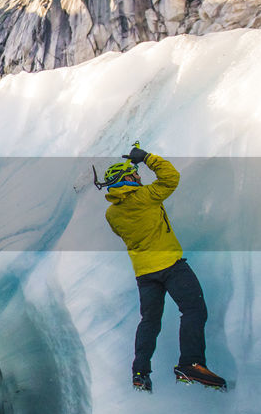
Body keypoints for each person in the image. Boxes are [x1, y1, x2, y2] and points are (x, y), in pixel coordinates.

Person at [95, 144, 226, 392]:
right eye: (135, 176)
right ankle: (191, 364)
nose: (139, 177)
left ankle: (140, 372)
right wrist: (145, 158)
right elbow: (171, 177)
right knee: (194, 310)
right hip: (170, 266)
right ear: (127, 179)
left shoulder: (112, 214)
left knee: (149, 322)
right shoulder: (145, 197)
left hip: (145, 273)